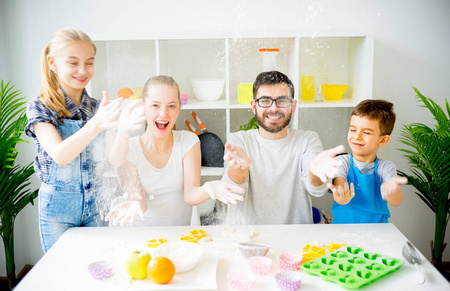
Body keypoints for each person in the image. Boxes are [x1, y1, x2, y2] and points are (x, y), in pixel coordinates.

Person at [25, 28, 123, 253]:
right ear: (53, 62)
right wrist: (97, 124)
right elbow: (60, 155)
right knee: (64, 274)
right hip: (57, 210)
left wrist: (123, 127)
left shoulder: (99, 108)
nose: (83, 70)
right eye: (73, 63)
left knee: (98, 268)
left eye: (89, 63)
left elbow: (116, 158)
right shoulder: (40, 107)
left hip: (97, 206)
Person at [105, 75, 244, 226]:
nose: (163, 114)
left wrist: (208, 188)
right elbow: (139, 201)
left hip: (180, 239)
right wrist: (134, 204)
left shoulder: (188, 142)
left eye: (171, 106)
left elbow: (190, 196)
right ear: (143, 107)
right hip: (142, 239)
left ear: (179, 108)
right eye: (155, 105)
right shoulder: (129, 148)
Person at [221, 70, 344, 225]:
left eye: (282, 101)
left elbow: (317, 190)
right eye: (265, 101)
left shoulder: (307, 140)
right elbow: (231, 192)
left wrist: (315, 171)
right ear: (254, 106)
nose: (274, 108)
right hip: (248, 239)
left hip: (296, 240)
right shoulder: (238, 141)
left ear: (293, 106)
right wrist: (240, 170)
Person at [328, 99, 408, 223]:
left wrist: (392, 192)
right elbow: (339, 190)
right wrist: (342, 195)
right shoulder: (341, 162)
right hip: (342, 231)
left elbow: (395, 201)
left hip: (377, 231)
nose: (357, 136)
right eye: (353, 129)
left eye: (366, 132)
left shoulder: (386, 167)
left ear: (383, 140)